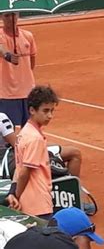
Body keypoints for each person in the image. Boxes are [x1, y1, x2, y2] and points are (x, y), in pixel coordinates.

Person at [6, 86, 58, 220]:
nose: (50, 115)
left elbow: (18, 168)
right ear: (32, 110)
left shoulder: (24, 133)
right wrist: (16, 195)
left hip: (27, 203)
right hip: (38, 205)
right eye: (45, 111)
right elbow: (24, 172)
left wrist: (13, 192)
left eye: (52, 110)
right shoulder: (35, 138)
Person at [0, 12, 37, 127]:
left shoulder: (28, 36)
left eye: (14, 15)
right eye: (7, 16)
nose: (12, 18)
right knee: (9, 135)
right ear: (1, 17)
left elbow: (32, 63)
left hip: (28, 93)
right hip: (7, 95)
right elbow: (1, 49)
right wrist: (8, 56)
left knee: (29, 131)